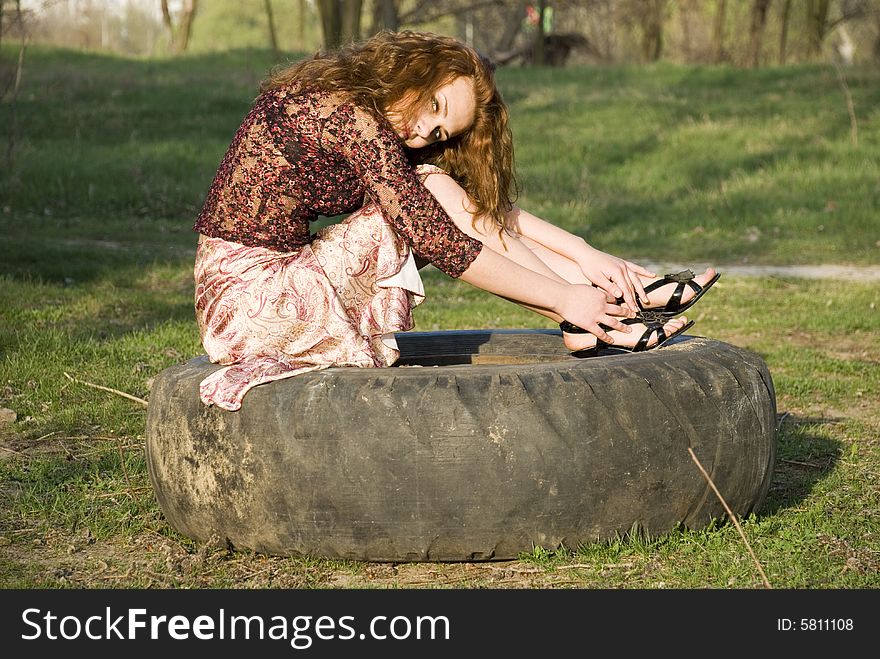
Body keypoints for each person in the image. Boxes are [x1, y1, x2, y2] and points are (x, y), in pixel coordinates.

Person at [192, 30, 719, 411]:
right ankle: (589, 309)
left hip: (276, 284)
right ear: (416, 69)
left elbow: (471, 209)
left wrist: (581, 251)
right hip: (248, 300)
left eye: (442, 131)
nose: (426, 130)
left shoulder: (369, 116)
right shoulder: (344, 112)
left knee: (431, 185)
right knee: (427, 190)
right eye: (435, 105)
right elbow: (444, 243)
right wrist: (560, 296)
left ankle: (600, 303)